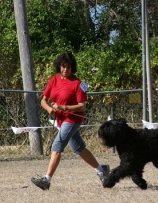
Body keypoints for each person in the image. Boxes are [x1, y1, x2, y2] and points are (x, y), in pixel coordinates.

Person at [31, 52, 109, 190]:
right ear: (59, 66)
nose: (65, 69)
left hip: (73, 119)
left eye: (68, 67)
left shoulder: (79, 84)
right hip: (61, 120)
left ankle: (46, 180)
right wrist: (49, 109)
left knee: (57, 146)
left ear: (72, 67)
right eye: (63, 66)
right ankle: (102, 170)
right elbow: (43, 100)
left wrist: (63, 107)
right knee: (79, 148)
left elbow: (82, 105)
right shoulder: (53, 80)